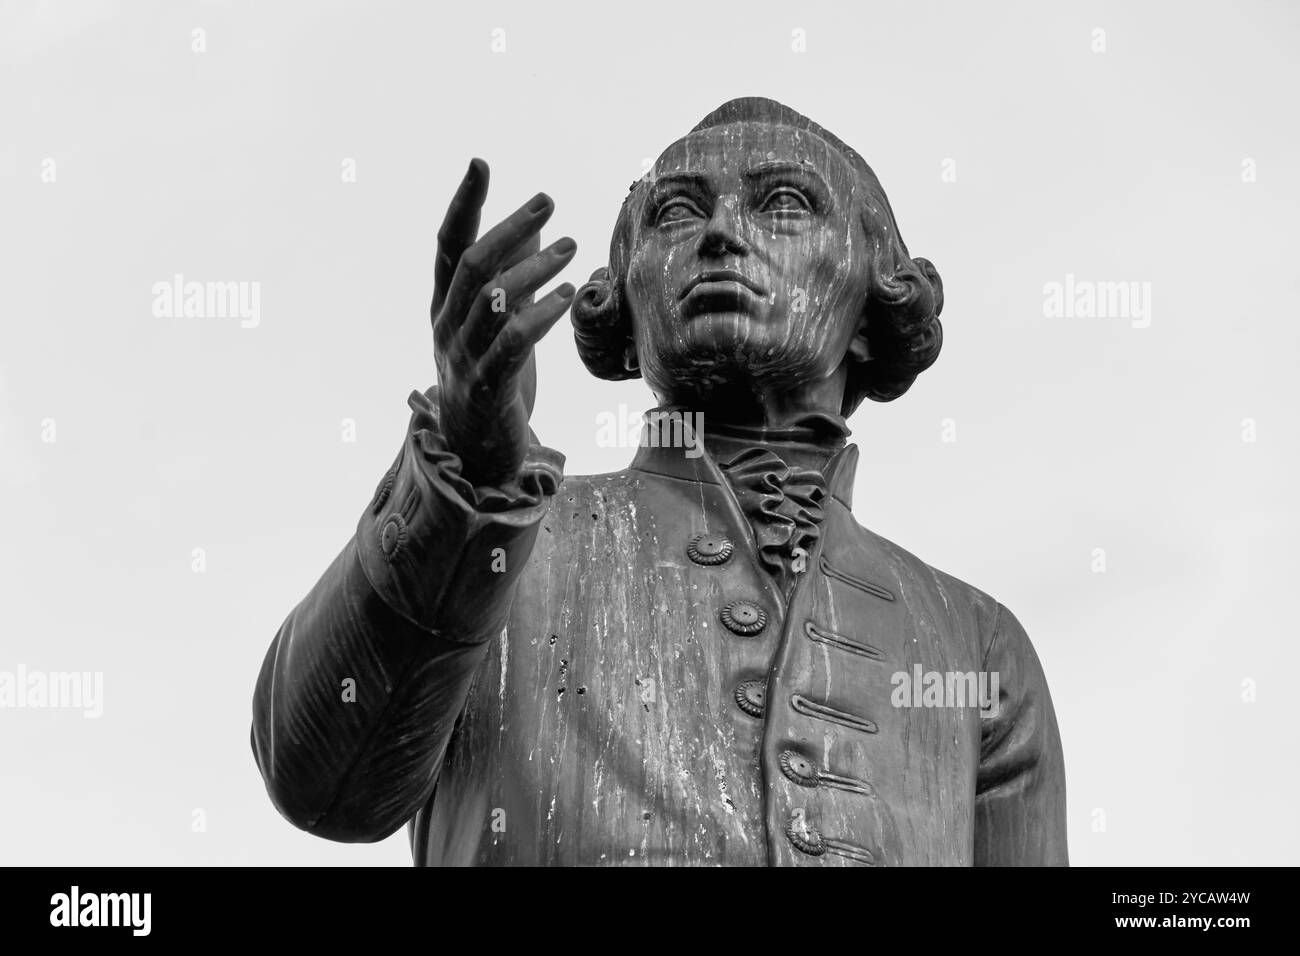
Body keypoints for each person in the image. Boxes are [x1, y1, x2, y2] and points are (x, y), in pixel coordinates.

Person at [251, 97, 1067, 866]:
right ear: (627, 316)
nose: (718, 233)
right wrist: (465, 474)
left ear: (873, 301)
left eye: (782, 202)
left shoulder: (974, 643)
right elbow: (324, 784)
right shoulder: (501, 550)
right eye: (677, 212)